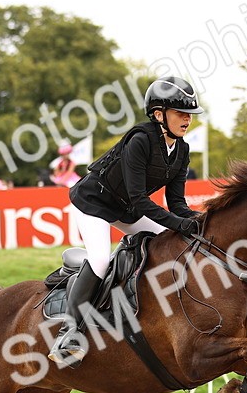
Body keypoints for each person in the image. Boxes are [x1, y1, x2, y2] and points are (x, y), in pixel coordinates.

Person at [50, 75, 204, 367]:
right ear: (158, 115)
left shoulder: (181, 150)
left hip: (126, 209)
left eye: (190, 114)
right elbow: (140, 199)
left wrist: (201, 220)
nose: (187, 119)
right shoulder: (140, 140)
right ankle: (68, 331)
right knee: (100, 260)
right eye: (181, 113)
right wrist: (178, 223)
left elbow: (177, 204)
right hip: (93, 203)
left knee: (173, 243)